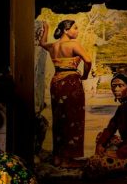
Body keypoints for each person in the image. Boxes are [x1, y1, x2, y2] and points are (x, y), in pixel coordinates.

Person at [38, 18, 92, 167]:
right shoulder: (73, 44)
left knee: (59, 120)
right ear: (66, 30)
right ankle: (67, 160)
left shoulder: (53, 45)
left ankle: (57, 157)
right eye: (75, 28)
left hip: (56, 83)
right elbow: (88, 60)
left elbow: (42, 43)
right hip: (71, 82)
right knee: (73, 119)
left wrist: (46, 28)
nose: (77, 31)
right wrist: (85, 75)